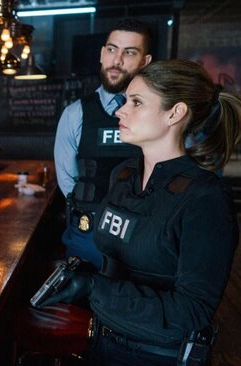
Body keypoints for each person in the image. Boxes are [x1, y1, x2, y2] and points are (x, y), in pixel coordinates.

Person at [40, 59, 241, 366]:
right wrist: (80, 273)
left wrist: (93, 291)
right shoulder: (124, 174)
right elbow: (116, 253)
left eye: (136, 102)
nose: (120, 110)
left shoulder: (205, 199)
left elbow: (190, 313)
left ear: (175, 113)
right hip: (103, 349)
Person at [53, 19, 153, 269]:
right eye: (111, 49)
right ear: (101, 54)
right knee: (78, 306)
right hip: (88, 234)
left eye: (129, 52)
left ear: (145, 62)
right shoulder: (75, 114)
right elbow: (69, 184)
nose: (117, 60)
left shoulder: (158, 115)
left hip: (142, 237)